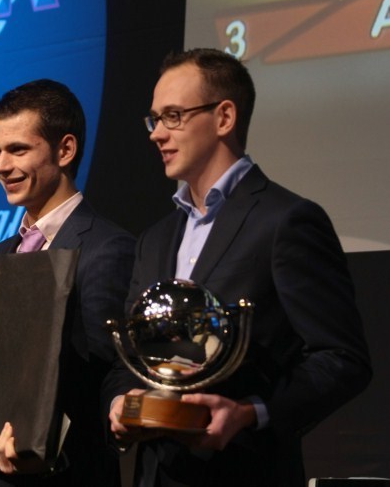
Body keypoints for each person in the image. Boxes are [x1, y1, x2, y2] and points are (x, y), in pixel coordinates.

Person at [105, 48, 372, 486]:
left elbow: (342, 359)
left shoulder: (286, 221)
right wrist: (119, 403)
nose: (157, 134)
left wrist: (250, 413)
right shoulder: (154, 240)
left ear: (224, 117)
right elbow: (127, 360)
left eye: (173, 116)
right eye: (154, 119)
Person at [0, 79, 135, 485]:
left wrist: (45, 444)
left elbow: (107, 374)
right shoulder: (1, 254)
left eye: (18, 150)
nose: (0, 166)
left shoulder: (106, 248)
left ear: (65, 150)